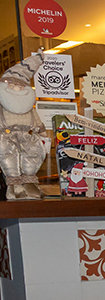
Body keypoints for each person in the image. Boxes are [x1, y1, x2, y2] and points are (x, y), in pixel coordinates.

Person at [0, 53, 46, 200]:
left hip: (29, 137)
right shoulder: (2, 107)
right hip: (7, 138)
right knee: (9, 161)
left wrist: (42, 131)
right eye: (11, 85)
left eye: (20, 86)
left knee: (32, 158)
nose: (16, 88)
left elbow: (37, 121)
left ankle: (30, 186)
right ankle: (14, 188)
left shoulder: (29, 109)